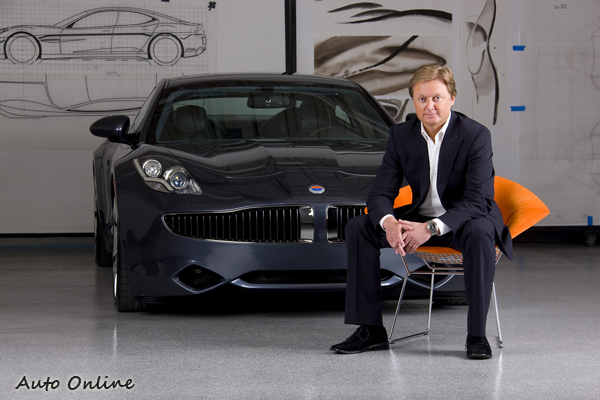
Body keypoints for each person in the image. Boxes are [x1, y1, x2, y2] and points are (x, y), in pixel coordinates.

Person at [330, 65, 513, 359]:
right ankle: (370, 330)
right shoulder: (401, 135)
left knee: (480, 232)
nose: (430, 106)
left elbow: (479, 200)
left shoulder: (475, 135)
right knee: (358, 227)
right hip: (418, 218)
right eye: (422, 99)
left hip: (463, 221)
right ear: (413, 101)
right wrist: (390, 223)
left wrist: (430, 228)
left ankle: (477, 335)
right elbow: (380, 193)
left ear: (452, 98)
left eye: (437, 98)